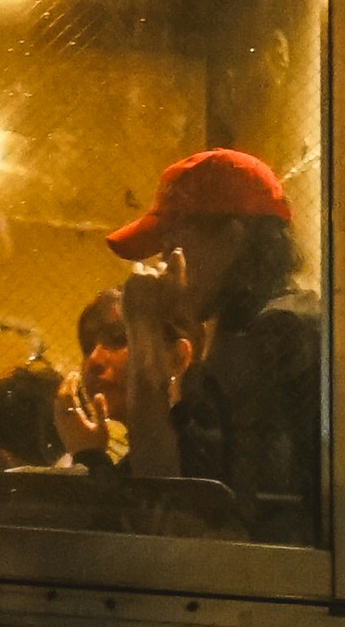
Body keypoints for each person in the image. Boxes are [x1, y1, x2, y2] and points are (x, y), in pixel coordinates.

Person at [108, 141, 324, 524]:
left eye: (173, 243)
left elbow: (171, 501)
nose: (162, 263)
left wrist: (142, 331)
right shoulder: (265, 325)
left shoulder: (273, 336)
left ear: (233, 235)